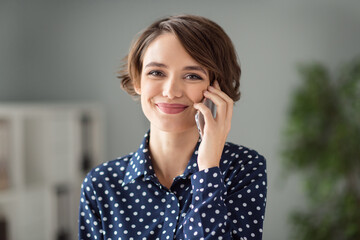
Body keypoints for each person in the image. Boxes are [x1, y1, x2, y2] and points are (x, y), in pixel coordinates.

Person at [79, 14, 267, 240]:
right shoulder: (102, 184)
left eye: (192, 76)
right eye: (156, 73)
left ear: (217, 88)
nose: (171, 91)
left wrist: (208, 169)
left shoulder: (243, 169)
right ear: (138, 80)